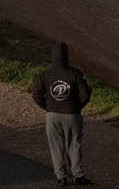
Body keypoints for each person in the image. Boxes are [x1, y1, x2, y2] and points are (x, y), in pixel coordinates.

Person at [31, 42, 92, 186]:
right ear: (67, 57)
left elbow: (36, 95)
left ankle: (61, 177)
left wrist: (47, 107)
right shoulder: (76, 74)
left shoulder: (44, 75)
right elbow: (85, 95)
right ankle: (78, 175)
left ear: (53, 57)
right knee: (74, 144)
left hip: (52, 115)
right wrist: (77, 107)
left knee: (56, 146)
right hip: (72, 115)